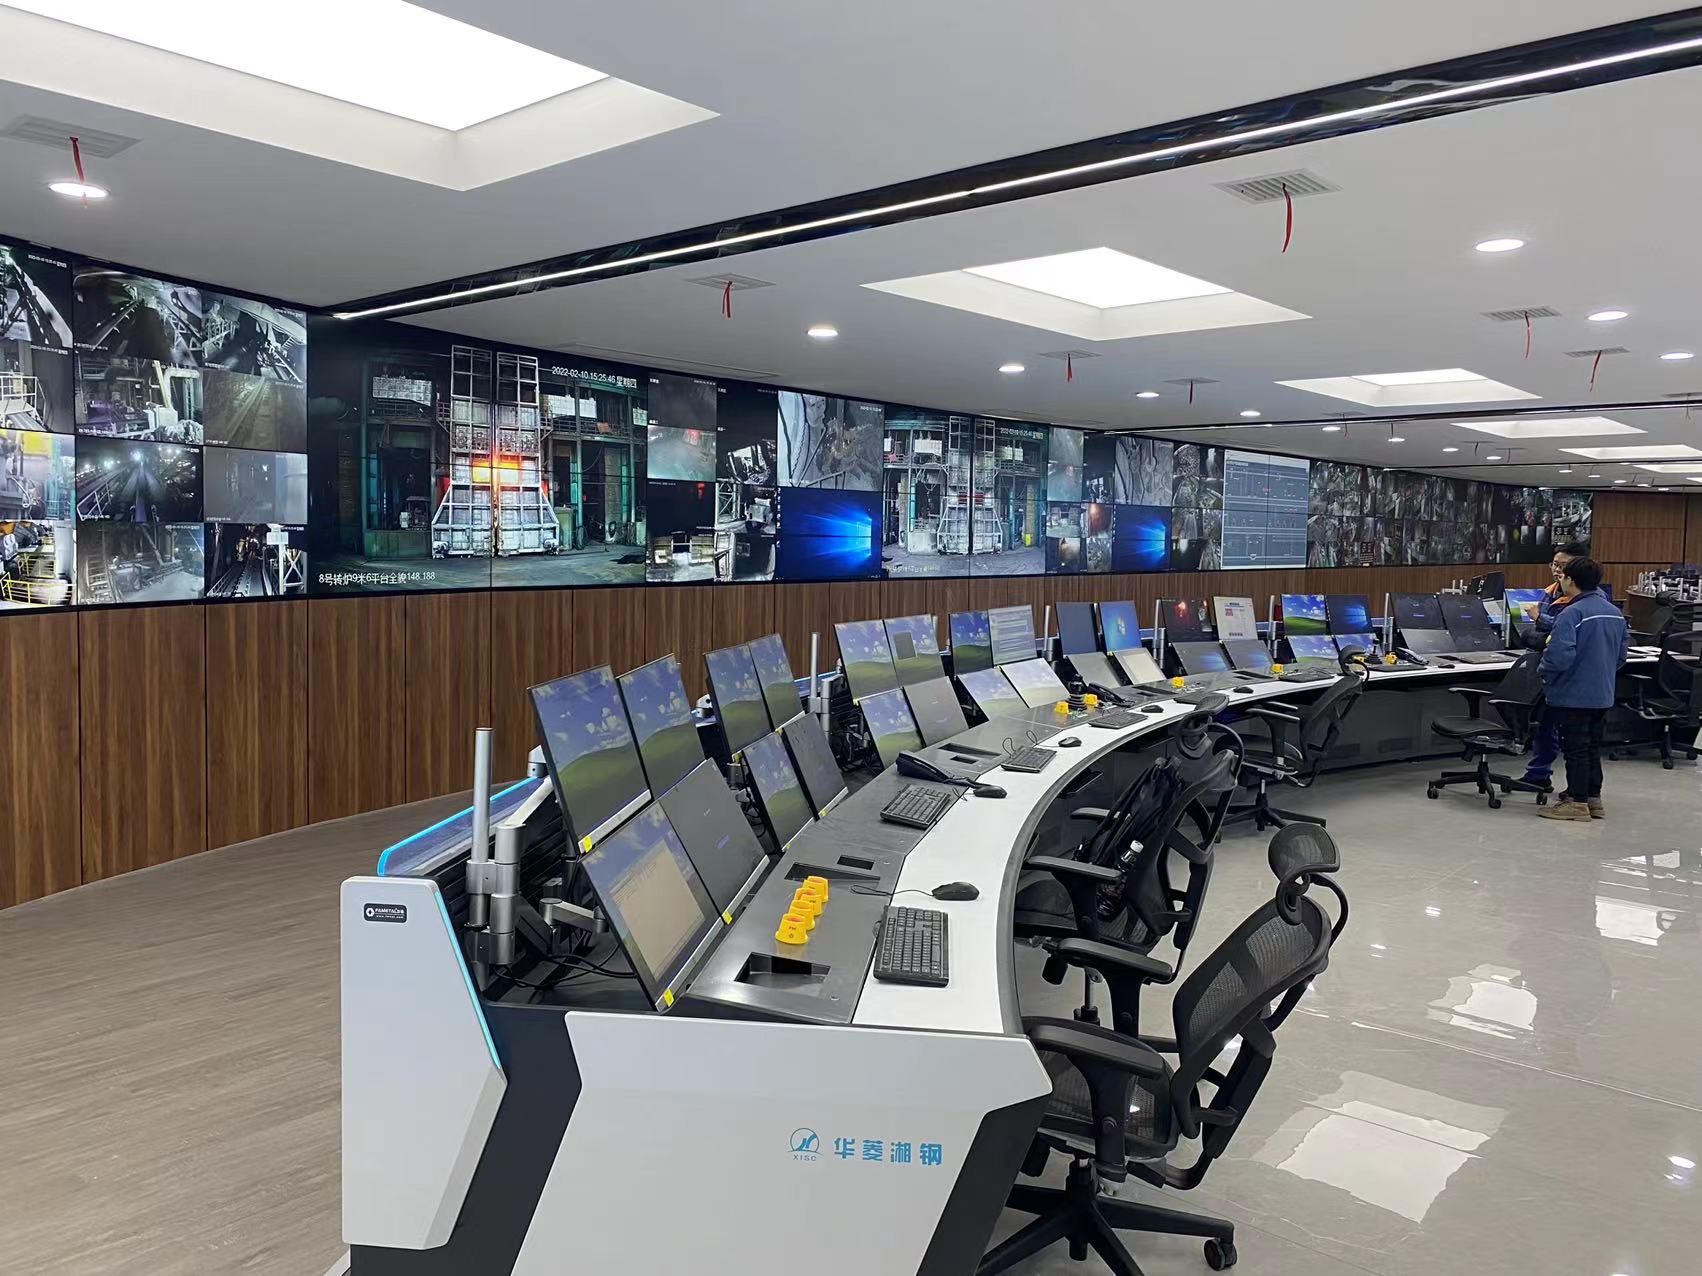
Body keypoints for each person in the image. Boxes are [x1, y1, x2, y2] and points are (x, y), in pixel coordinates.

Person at [1537, 557, 1628, 822]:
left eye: (1563, 576)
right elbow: (1621, 656)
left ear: (1570, 580)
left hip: (1573, 694)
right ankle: (1593, 799)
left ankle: (1576, 803)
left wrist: (1543, 671)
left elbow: (1558, 657)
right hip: (1602, 694)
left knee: (1575, 749)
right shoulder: (1614, 612)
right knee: (1591, 747)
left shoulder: (1571, 613)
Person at [1520, 541, 1589, 790]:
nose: (1557, 570)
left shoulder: (1583, 599)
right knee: (1543, 723)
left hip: (1566, 673)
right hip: (1545, 665)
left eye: (1564, 566)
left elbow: (1561, 631)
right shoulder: (1551, 592)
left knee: (1564, 732)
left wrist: (1539, 619)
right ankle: (1538, 774)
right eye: (1555, 564)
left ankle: (1576, 793)